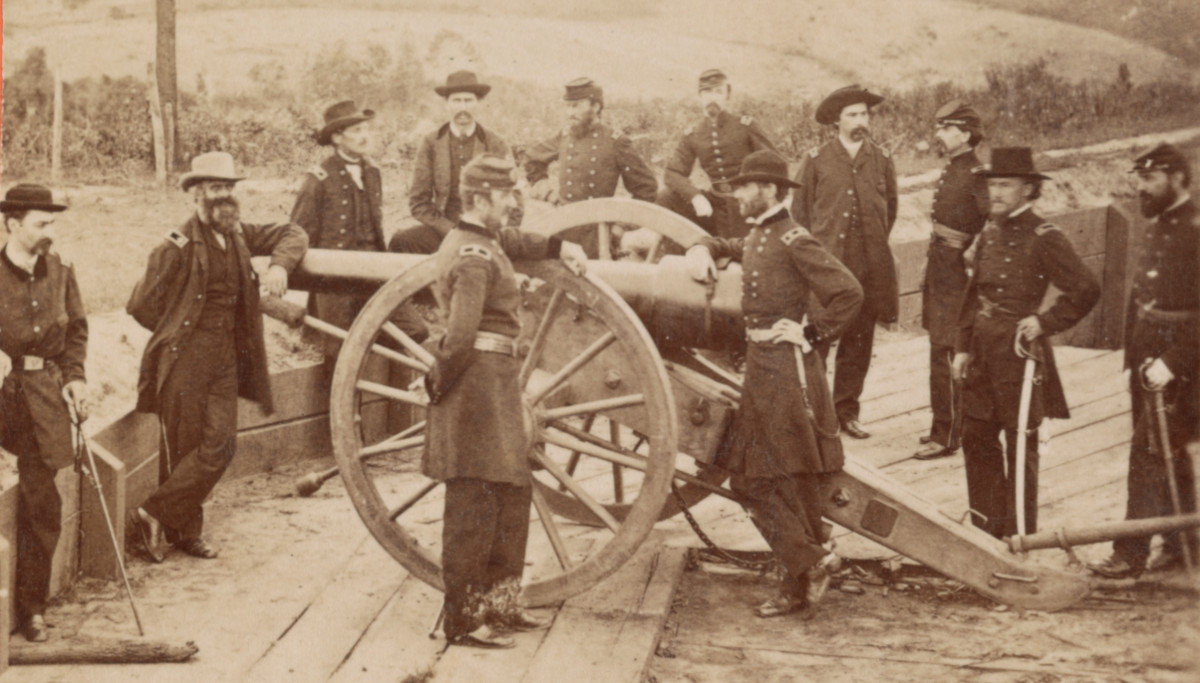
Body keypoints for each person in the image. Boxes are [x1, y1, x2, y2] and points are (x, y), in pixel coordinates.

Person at [684, 150, 863, 618]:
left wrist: (810, 334)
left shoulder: (794, 239)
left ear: (770, 190)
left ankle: (808, 566)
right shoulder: (763, 234)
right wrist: (702, 247)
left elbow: (848, 292)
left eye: (745, 187)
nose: (738, 194)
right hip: (764, 370)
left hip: (786, 373)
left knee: (759, 481)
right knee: (780, 483)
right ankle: (802, 580)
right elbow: (729, 244)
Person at [424, 155, 588, 648]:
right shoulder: (473, 256)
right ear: (479, 199)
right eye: (507, 195)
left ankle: (501, 604)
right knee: (473, 503)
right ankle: (463, 621)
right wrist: (437, 383)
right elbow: (458, 337)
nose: (515, 202)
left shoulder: (486, 241)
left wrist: (562, 244)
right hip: (474, 386)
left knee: (512, 494)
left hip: (495, 386)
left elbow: (515, 242)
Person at [127, 152, 308, 562]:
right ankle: (185, 534)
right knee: (183, 446)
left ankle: (151, 513)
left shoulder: (240, 233)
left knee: (221, 446)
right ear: (196, 194)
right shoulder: (175, 246)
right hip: (185, 361)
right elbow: (139, 305)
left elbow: (294, 231)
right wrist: (176, 327)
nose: (224, 196)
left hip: (225, 359)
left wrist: (280, 265)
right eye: (214, 188)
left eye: (228, 188)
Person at [951, 147, 1100, 540]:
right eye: (992, 184)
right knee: (977, 438)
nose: (996, 192)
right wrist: (963, 347)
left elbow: (1085, 288)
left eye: (1005, 185)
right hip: (982, 351)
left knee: (1020, 447)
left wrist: (1045, 321)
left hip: (1018, 354)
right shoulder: (989, 230)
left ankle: (1019, 541)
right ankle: (985, 536)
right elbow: (972, 294)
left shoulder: (1045, 236)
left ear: (1028, 189)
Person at [1089, 143, 1198, 578]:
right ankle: (1181, 540)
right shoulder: (1157, 221)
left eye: (1151, 179)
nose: (1142, 188)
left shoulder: (1194, 228)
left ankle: (1130, 554)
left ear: (1178, 179)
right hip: (1148, 352)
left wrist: (1172, 361)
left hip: (1183, 360)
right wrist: (1137, 353)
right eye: (1139, 179)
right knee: (1168, 449)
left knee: (1148, 451)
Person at [0, 184, 88, 642]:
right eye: (41, 223)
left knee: (42, 503)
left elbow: (75, 331)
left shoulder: (61, 269)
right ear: (12, 225)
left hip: (43, 395)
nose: (49, 231)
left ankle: (30, 609)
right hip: (1, 394)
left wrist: (75, 378)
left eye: (52, 222)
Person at [791, 85, 898, 439]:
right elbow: (801, 215)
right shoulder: (817, 160)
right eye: (852, 114)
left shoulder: (881, 160)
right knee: (819, 339)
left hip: (868, 269)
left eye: (865, 114)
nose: (860, 120)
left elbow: (890, 211)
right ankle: (815, 413)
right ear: (836, 120)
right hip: (828, 271)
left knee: (859, 343)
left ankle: (846, 412)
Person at [915, 101, 990, 461]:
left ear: (965, 133)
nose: (939, 134)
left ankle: (946, 435)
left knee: (947, 349)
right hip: (941, 267)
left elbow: (992, 223)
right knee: (939, 347)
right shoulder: (956, 168)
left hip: (957, 273)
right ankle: (944, 425)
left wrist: (972, 252)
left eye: (946, 128)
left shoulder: (977, 173)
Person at [290, 100, 389, 356]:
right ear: (336, 137)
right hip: (335, 279)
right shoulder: (318, 179)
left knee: (411, 331)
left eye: (366, 129)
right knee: (339, 349)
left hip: (375, 271)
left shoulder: (373, 172)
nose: (364, 136)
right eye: (356, 131)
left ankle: (394, 396)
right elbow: (297, 233)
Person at [523, 77, 657, 256]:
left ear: (596, 106)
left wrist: (619, 227)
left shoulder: (615, 142)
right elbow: (533, 158)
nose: (570, 112)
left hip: (596, 233)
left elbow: (646, 189)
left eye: (576, 105)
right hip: (562, 224)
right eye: (568, 106)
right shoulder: (565, 137)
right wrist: (548, 194)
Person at [389, 71, 516, 255]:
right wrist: (451, 231)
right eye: (456, 101)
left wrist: (493, 233)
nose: (462, 107)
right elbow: (418, 202)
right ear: (447, 103)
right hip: (444, 231)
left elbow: (515, 199)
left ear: (478, 103)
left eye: (468, 100)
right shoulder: (431, 142)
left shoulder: (496, 143)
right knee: (402, 240)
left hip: (486, 233)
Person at [656, 68, 779, 241]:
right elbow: (672, 173)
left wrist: (762, 196)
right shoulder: (693, 133)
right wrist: (695, 196)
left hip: (746, 204)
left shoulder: (745, 126)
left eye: (718, 92)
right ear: (699, 96)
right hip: (714, 205)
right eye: (707, 92)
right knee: (666, 197)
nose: (712, 97)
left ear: (727, 96)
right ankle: (683, 255)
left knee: (742, 251)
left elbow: (774, 163)